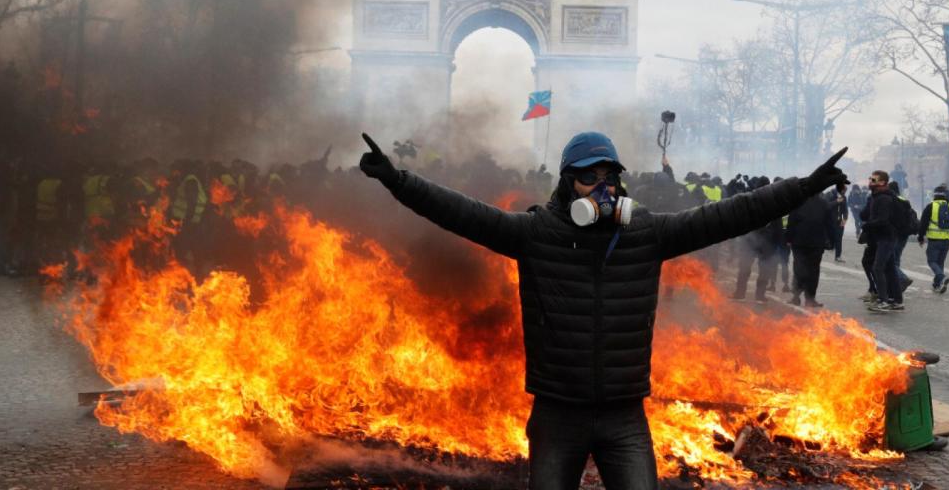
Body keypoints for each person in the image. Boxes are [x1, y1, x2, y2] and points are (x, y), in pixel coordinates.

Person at [359, 131, 849, 490]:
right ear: (567, 184)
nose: (601, 186)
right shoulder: (534, 234)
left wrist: (803, 187)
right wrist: (398, 180)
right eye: (588, 177)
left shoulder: (647, 233)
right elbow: (460, 212)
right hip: (557, 414)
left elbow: (733, 214)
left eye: (609, 176)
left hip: (624, 416)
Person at [786, 187, 838, 307]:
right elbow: (830, 225)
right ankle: (810, 299)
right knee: (813, 271)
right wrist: (832, 241)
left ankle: (796, 297)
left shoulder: (798, 202)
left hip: (799, 242)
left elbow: (791, 222)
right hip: (816, 243)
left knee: (798, 269)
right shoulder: (824, 204)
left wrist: (788, 238)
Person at [862, 170, 904, 312]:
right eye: (870, 179)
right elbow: (866, 215)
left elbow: (883, 220)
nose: (870, 182)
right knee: (890, 269)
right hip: (882, 237)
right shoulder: (876, 197)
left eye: (873, 180)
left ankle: (883, 301)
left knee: (878, 268)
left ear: (882, 182)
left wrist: (868, 225)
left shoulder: (884, 199)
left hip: (886, 238)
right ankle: (897, 301)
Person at [917, 185, 949, 294]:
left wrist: (921, 237)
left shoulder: (931, 206)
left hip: (934, 240)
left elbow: (923, 223)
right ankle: (937, 284)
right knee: (940, 262)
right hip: (947, 240)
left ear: (934, 195)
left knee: (932, 261)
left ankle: (941, 277)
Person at [825, 182, 848, 262]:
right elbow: (826, 206)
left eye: (845, 191)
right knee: (830, 239)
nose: (844, 193)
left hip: (839, 221)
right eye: (843, 191)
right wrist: (836, 201)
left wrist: (845, 218)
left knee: (839, 239)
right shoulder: (829, 194)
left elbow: (845, 209)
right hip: (829, 221)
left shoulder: (844, 197)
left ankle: (838, 256)